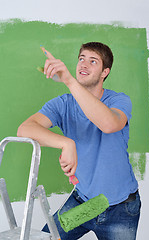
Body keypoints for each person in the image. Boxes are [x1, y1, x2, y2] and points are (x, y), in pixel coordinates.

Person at [17, 42, 141, 240]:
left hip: (121, 209)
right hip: (84, 203)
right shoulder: (63, 104)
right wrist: (66, 143)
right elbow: (25, 129)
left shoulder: (119, 101)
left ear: (104, 72)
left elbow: (108, 124)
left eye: (93, 61)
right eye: (81, 59)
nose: (84, 64)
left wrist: (69, 81)